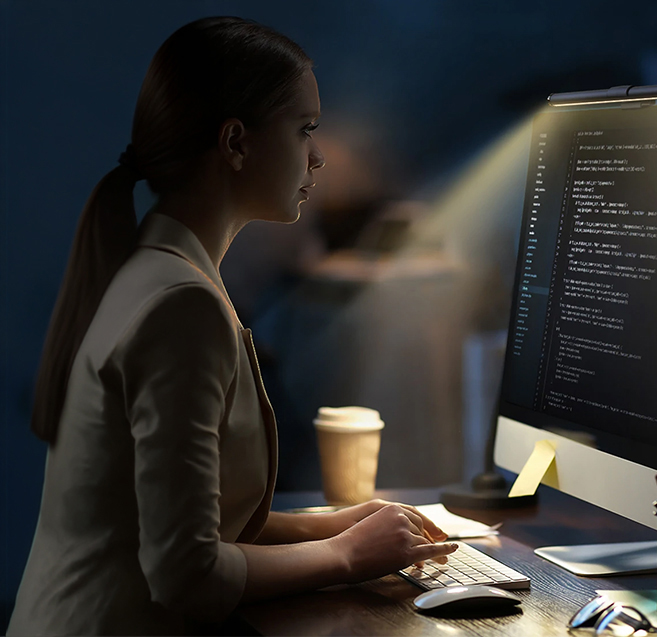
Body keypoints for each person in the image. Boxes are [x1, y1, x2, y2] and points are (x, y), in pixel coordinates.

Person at [8, 17, 457, 635]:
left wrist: (339, 523)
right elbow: (187, 572)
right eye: (304, 129)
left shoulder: (164, 270)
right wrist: (348, 554)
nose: (319, 156)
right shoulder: (181, 304)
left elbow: (195, 519)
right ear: (236, 143)